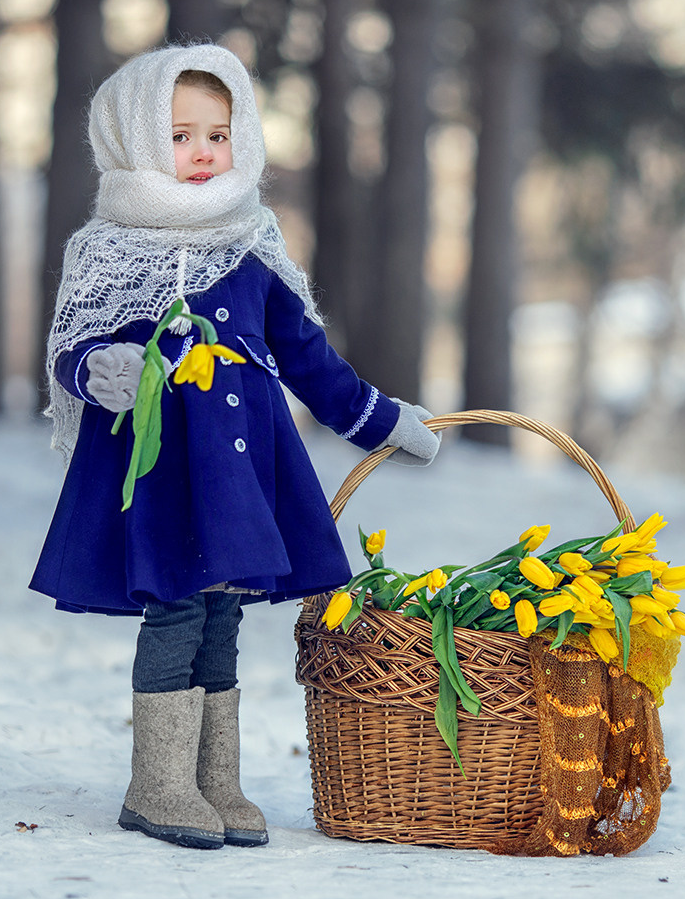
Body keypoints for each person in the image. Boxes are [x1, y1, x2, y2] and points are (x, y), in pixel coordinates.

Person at [30, 43, 440, 851]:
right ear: (136, 138)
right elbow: (70, 346)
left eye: (218, 134)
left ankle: (216, 778)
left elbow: (306, 355)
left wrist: (381, 418)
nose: (204, 153)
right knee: (178, 604)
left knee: (223, 611)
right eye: (180, 135)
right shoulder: (110, 247)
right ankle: (157, 781)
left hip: (242, 466)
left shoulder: (252, 242)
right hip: (160, 467)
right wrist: (97, 368)